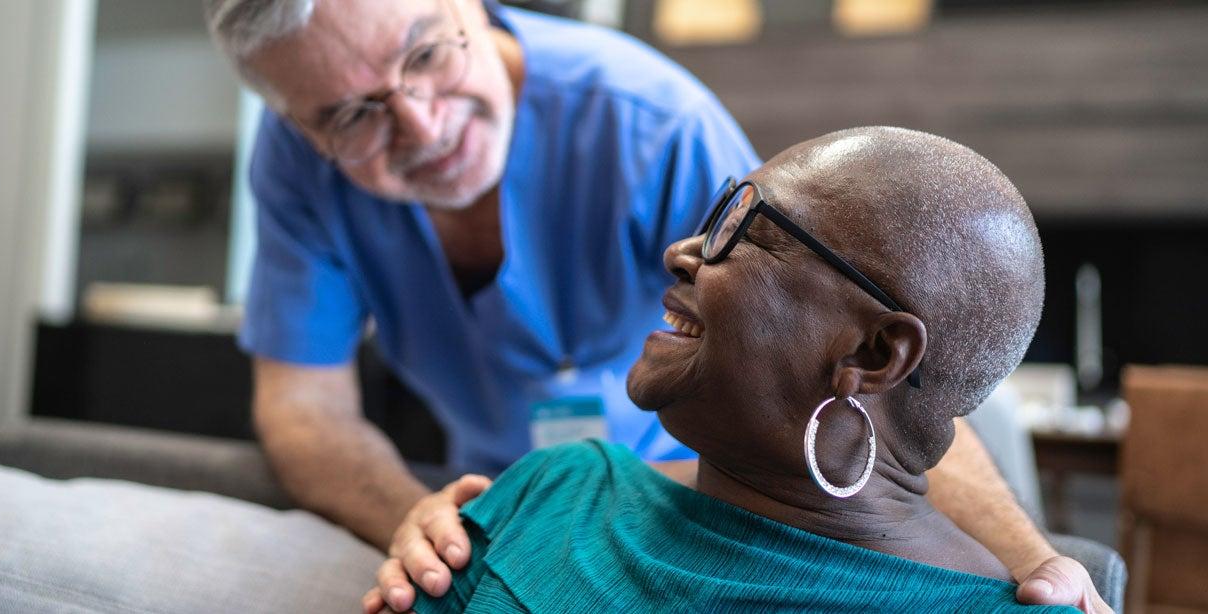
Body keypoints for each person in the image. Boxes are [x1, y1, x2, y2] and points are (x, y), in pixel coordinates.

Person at [207, 0, 1108, 610]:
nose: (422, 126)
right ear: (298, 123)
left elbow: (855, 365)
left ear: (471, 8)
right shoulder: (299, 163)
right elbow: (303, 407)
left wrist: (1037, 568)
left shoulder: (649, 123)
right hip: (505, 495)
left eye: (426, 57)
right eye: (353, 116)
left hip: (724, 498)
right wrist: (426, 524)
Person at [362, 127, 1078, 612]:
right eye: (716, 216)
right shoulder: (555, 489)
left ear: (873, 354)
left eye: (749, 232)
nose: (683, 250)